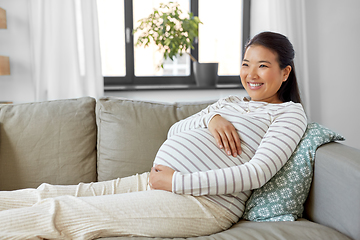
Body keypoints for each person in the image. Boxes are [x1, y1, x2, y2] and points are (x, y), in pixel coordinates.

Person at [0, 31, 307, 240]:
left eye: (263, 66)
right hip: (159, 182)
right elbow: (175, 129)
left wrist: (175, 182)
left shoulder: (289, 114)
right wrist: (212, 118)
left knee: (65, 212)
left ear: (285, 72)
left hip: (204, 204)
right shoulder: (228, 103)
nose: (251, 75)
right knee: (51, 193)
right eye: (245, 64)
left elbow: (255, 174)